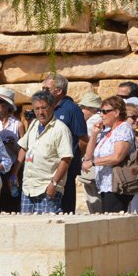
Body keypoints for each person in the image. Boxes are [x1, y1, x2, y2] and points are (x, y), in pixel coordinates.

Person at [17, 90, 74, 214]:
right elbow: (24, 147)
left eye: (44, 108)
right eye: (37, 108)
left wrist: (54, 184)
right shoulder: (33, 125)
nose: (40, 112)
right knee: (26, 228)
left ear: (52, 107)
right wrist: (14, 173)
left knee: (48, 227)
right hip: (28, 187)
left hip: (47, 188)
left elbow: (66, 159)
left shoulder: (61, 129)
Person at [43, 73, 88, 213]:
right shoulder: (46, 108)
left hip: (66, 167)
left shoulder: (72, 110)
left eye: (46, 89)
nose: (42, 92)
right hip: (47, 166)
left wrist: (74, 157)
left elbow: (83, 139)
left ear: (58, 91)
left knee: (65, 205)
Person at [83, 96, 136, 213]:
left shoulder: (123, 129)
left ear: (116, 112)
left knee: (114, 224)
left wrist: (93, 163)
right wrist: (94, 134)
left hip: (117, 185)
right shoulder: (106, 131)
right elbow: (88, 157)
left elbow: (117, 157)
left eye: (105, 112)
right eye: (100, 111)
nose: (101, 115)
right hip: (104, 185)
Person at [0, 86, 26, 213]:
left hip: (12, 169)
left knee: (12, 207)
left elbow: (23, 149)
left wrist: (15, 172)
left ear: (8, 105)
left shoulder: (18, 125)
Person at [76, 91, 104, 214]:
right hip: (98, 165)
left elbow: (84, 142)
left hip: (92, 165)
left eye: (82, 108)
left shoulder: (93, 122)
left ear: (90, 109)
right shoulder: (100, 119)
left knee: (94, 202)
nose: (81, 111)